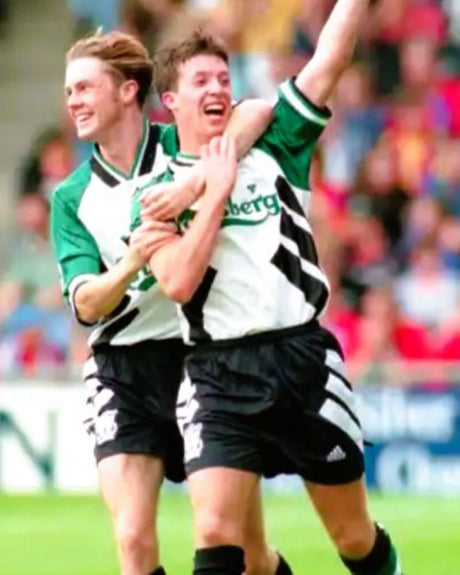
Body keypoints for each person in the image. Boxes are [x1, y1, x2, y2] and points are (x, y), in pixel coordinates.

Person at [132, 3, 404, 574]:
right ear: (171, 101)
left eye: (223, 78)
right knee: (216, 534)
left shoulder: (273, 142)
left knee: (353, 537)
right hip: (217, 373)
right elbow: (177, 282)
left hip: (301, 359)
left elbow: (327, 62)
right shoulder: (155, 193)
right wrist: (212, 190)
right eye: (201, 81)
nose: (217, 89)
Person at [50, 30, 291, 575]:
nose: (74, 102)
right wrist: (131, 263)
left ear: (128, 91)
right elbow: (85, 303)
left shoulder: (180, 144)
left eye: (85, 88)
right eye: (69, 92)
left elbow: (254, 113)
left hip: (203, 358)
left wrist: (195, 182)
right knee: (133, 540)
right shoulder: (71, 197)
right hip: (125, 372)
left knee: (249, 554)